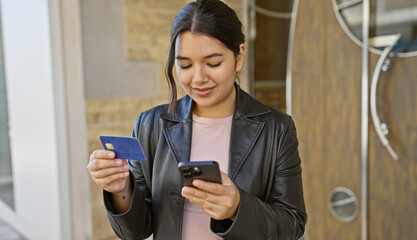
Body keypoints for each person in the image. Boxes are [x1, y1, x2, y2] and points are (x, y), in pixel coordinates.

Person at [87, 0, 307, 239]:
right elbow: (136, 231)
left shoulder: (276, 129)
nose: (198, 78)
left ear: (239, 56)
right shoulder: (150, 125)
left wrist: (237, 208)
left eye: (213, 63)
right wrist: (121, 190)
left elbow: (291, 226)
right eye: (185, 65)